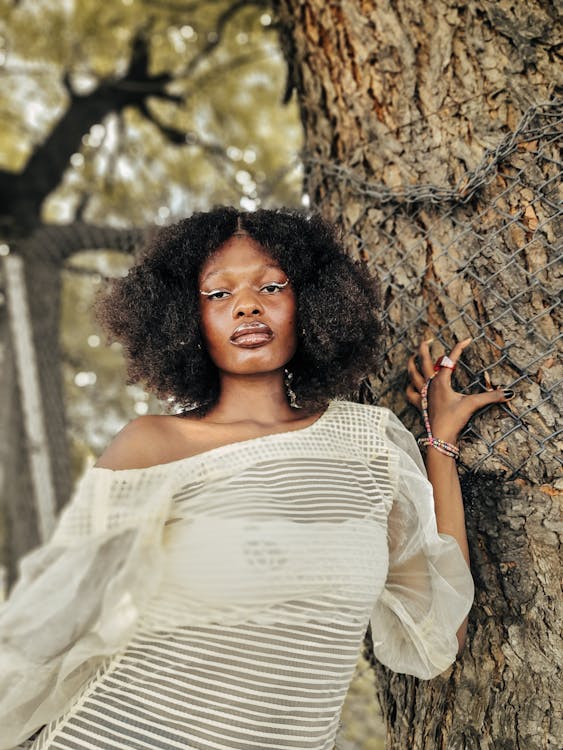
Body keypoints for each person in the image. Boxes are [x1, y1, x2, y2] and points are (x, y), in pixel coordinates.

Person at [0, 206, 514, 750]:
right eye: (218, 294)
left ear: (311, 303)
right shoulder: (152, 445)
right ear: (185, 318)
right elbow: (52, 622)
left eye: (271, 286)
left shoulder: (368, 443)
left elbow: (439, 628)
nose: (247, 304)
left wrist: (440, 445)